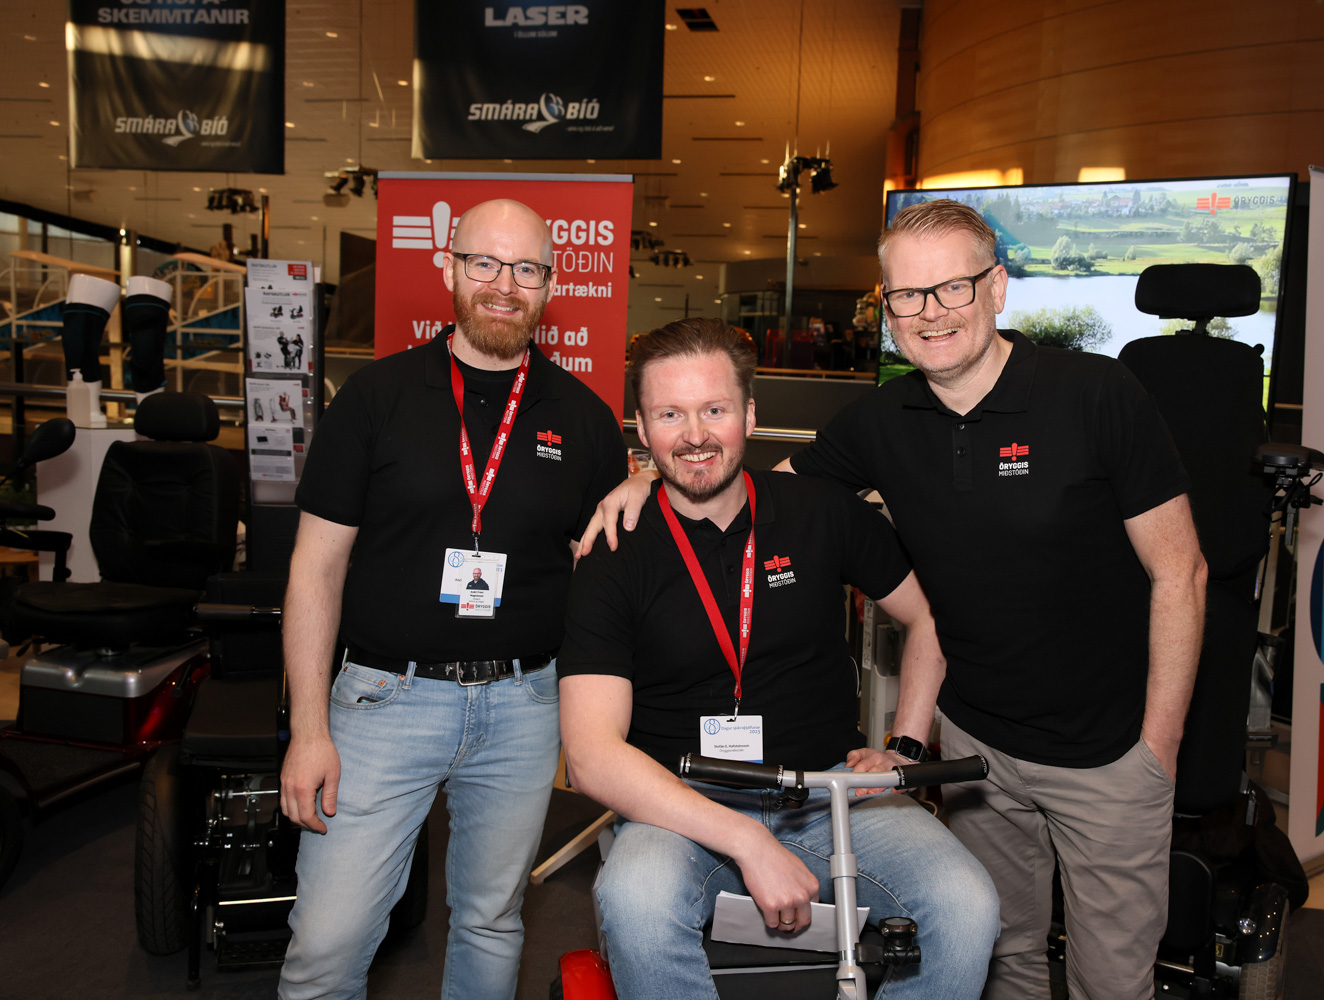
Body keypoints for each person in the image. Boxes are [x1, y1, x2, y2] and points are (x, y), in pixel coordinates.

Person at [581, 200, 1207, 1000]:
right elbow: (746, 486)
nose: (930, 312)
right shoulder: (881, 420)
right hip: (977, 745)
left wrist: (1159, 745)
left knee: (1103, 973)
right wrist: (649, 476)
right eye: (907, 295)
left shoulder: (1094, 393)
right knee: (1006, 956)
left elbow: (1182, 573)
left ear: (997, 287)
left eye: (952, 287)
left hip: (1106, 745)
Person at [559, 318, 999, 1000]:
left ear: (751, 415)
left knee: (967, 904)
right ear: (641, 429)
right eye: (670, 415)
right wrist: (747, 839)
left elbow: (928, 617)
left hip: (829, 791)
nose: (695, 435)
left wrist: (905, 748)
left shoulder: (820, 511)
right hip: (680, 803)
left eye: (715, 410)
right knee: (636, 905)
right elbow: (591, 755)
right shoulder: (615, 549)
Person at [277, 198, 626, 1000]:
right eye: (484, 263)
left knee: (491, 922)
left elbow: (605, 575)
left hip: (525, 706)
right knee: (327, 943)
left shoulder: (584, 418)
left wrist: (641, 488)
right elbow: (314, 571)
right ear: (449, 269)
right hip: (382, 701)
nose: (505, 285)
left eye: (526, 268)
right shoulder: (375, 397)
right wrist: (308, 730)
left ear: (551, 285)